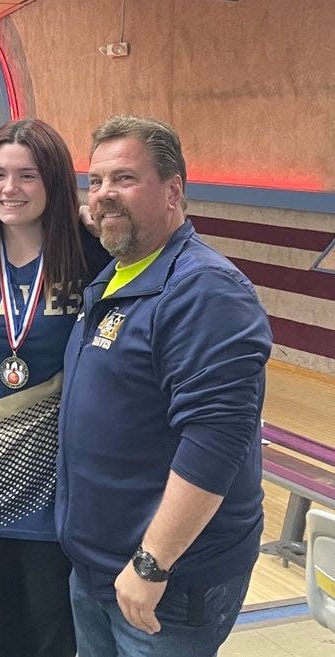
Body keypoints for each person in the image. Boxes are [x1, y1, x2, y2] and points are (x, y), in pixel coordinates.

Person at [55, 115, 272, 657]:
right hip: (99, 567)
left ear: (173, 190)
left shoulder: (205, 292)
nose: (104, 194)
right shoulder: (117, 275)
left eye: (124, 179)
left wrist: (152, 563)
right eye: (96, 181)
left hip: (166, 583)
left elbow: (216, 440)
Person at [0, 119, 109, 657]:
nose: (9, 188)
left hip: (56, 485)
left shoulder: (91, 252)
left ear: (55, 182)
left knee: (52, 633)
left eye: (27, 175)